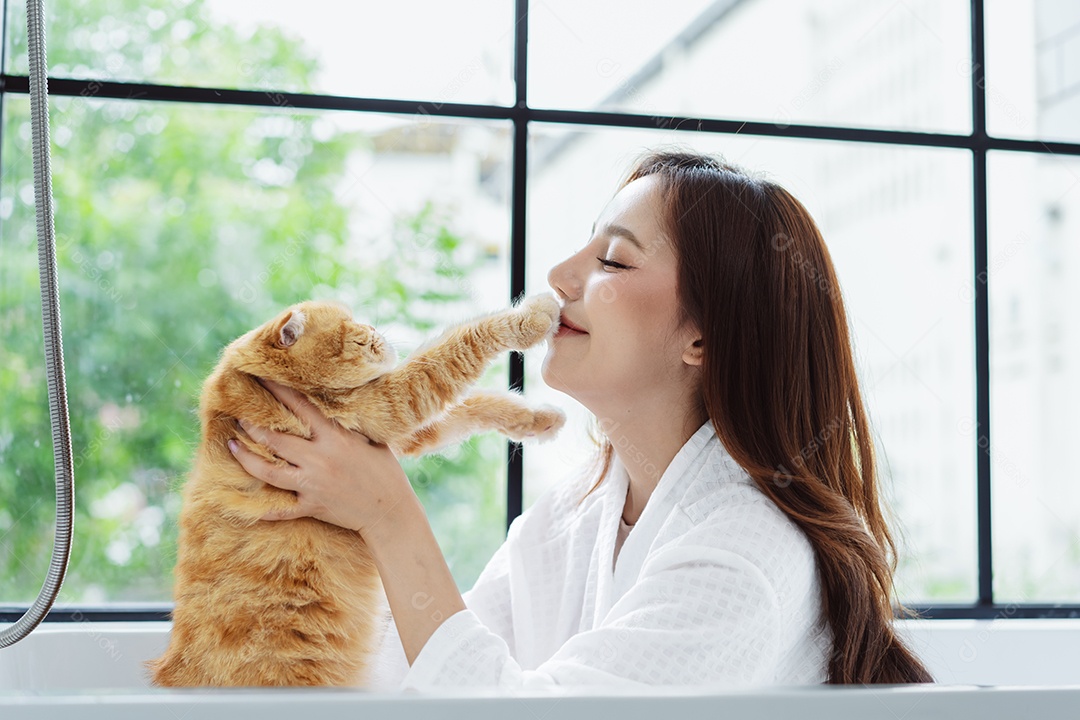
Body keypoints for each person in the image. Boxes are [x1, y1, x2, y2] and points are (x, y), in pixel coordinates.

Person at [229, 147, 934, 689]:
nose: (561, 276)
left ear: (703, 338)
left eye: (615, 261)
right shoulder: (577, 514)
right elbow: (418, 664)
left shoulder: (743, 557)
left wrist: (388, 514)